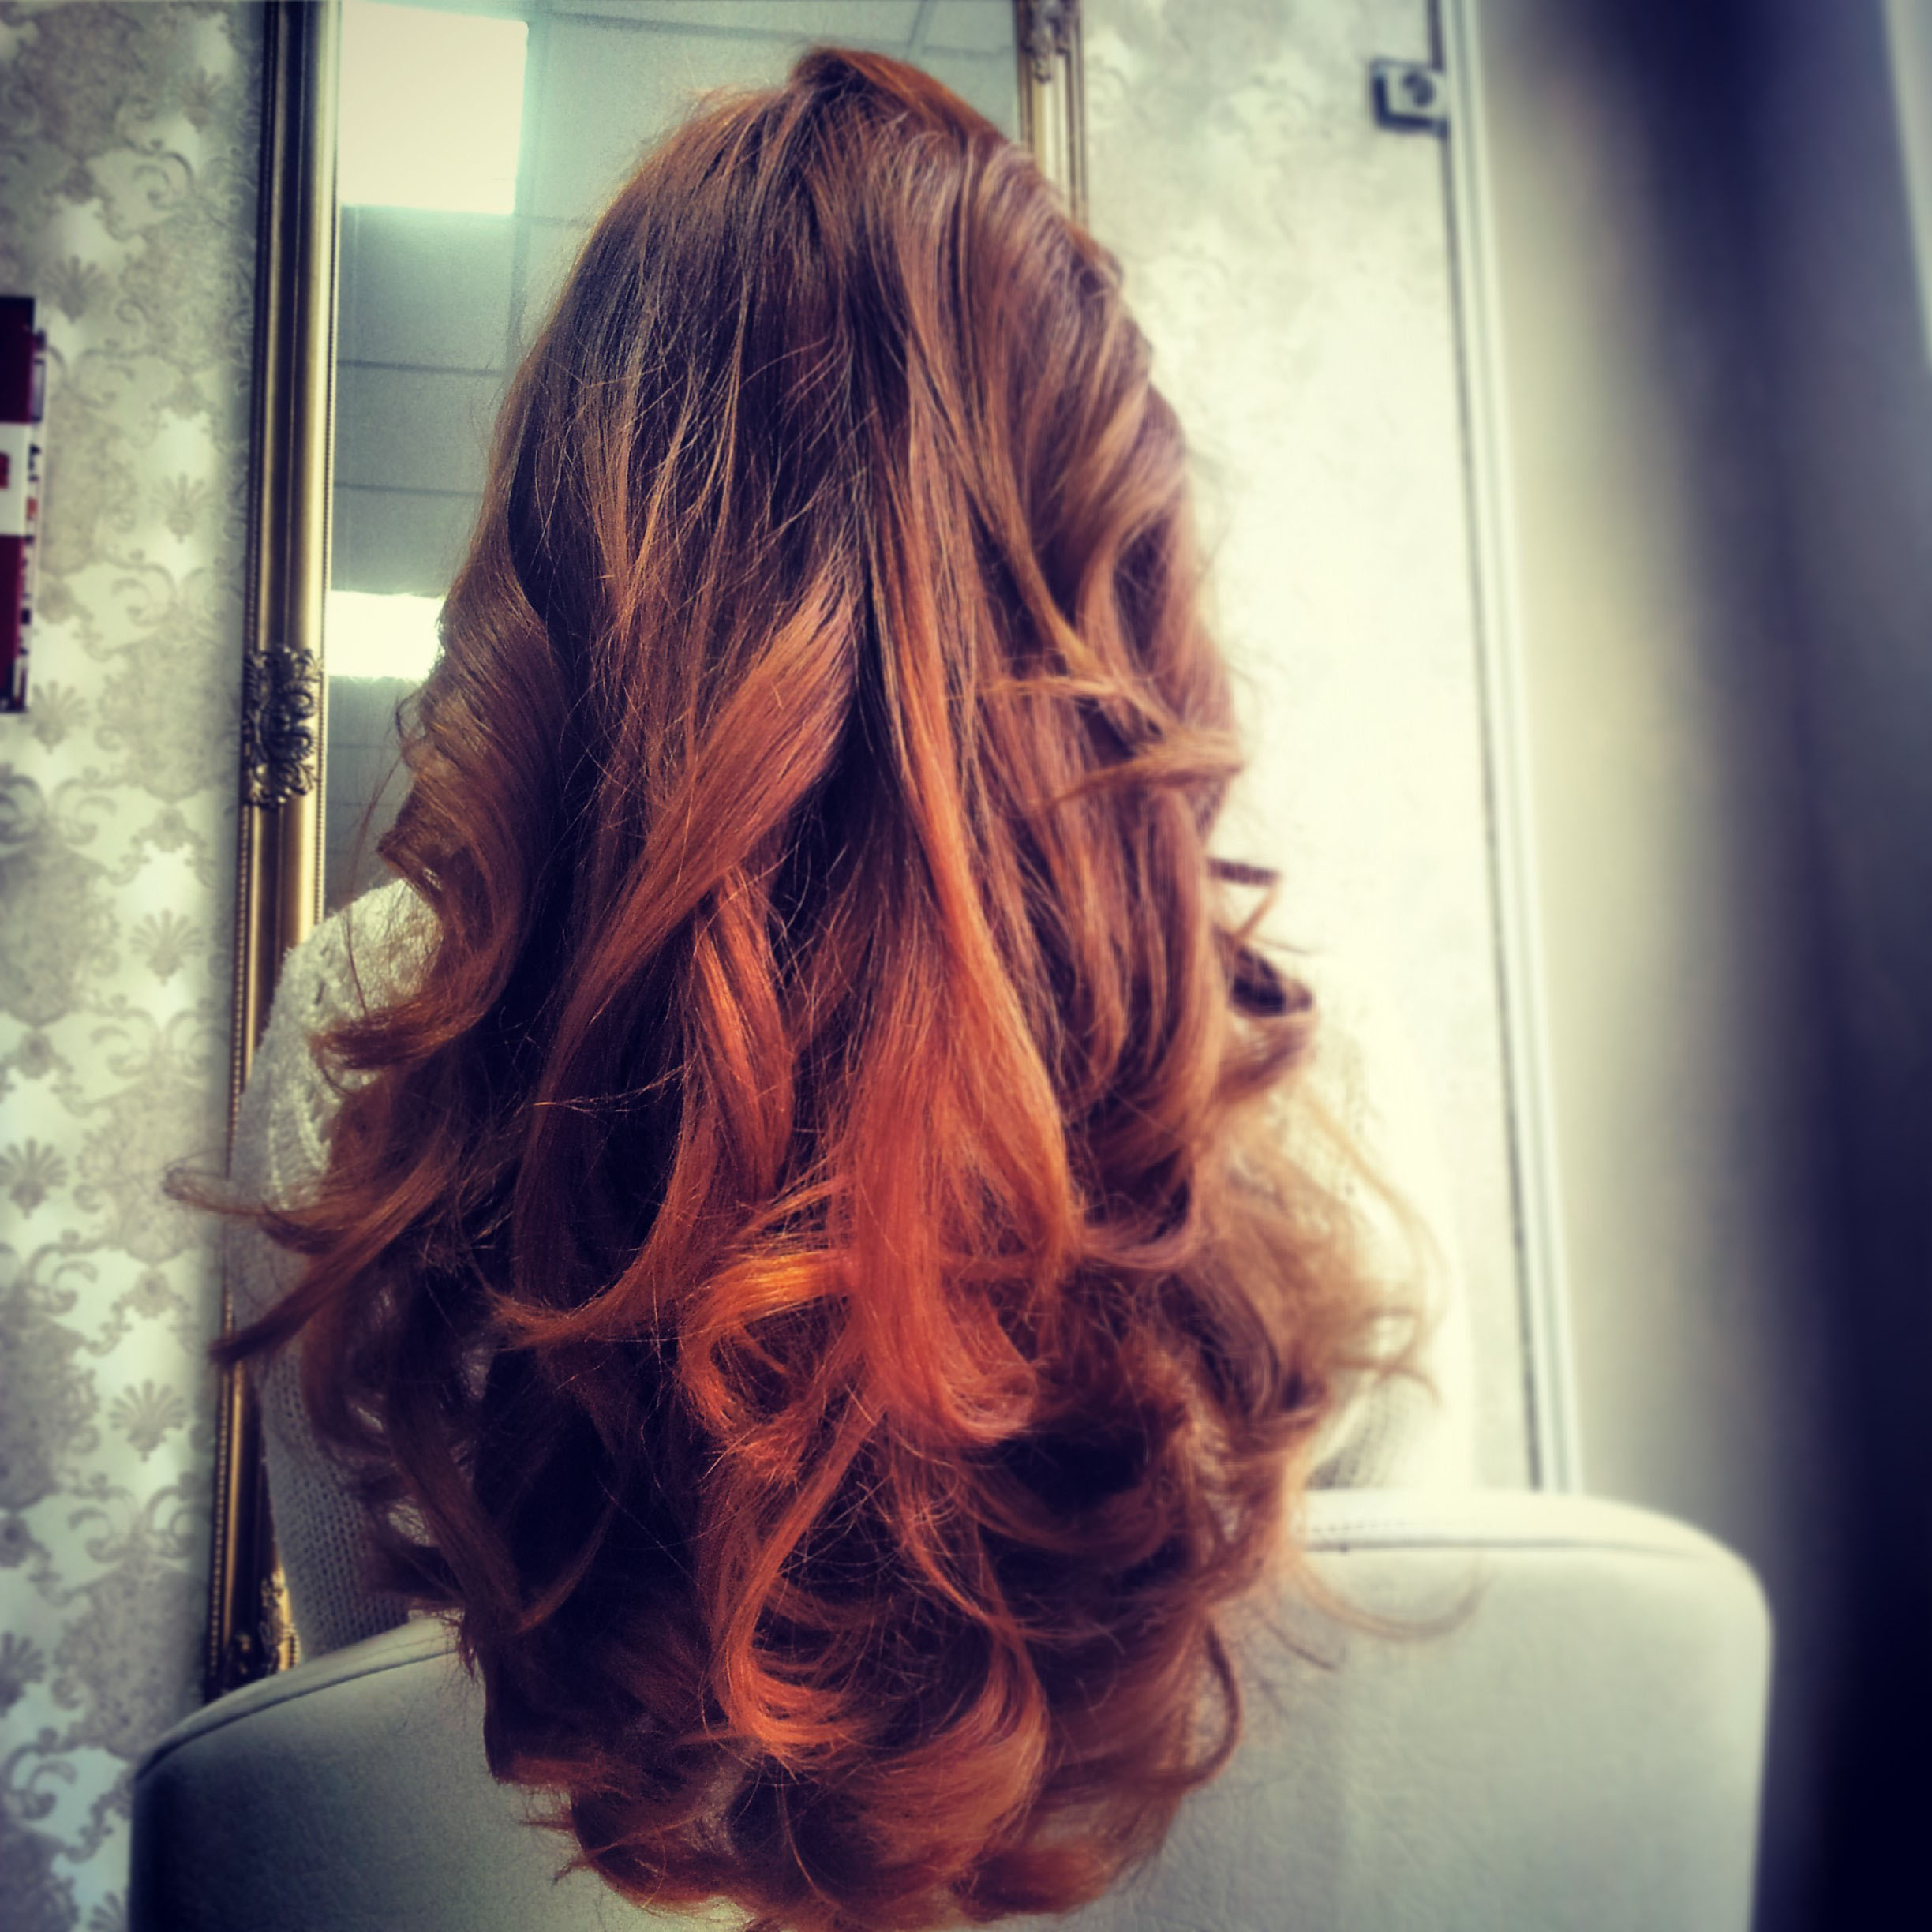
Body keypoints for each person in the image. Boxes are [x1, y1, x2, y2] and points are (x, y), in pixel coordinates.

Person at [221, 47, 1458, 1932]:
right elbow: (1355, 1804)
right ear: (1114, 546)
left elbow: (391, 1781)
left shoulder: (371, 1022)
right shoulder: (1289, 1055)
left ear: (585, 532)